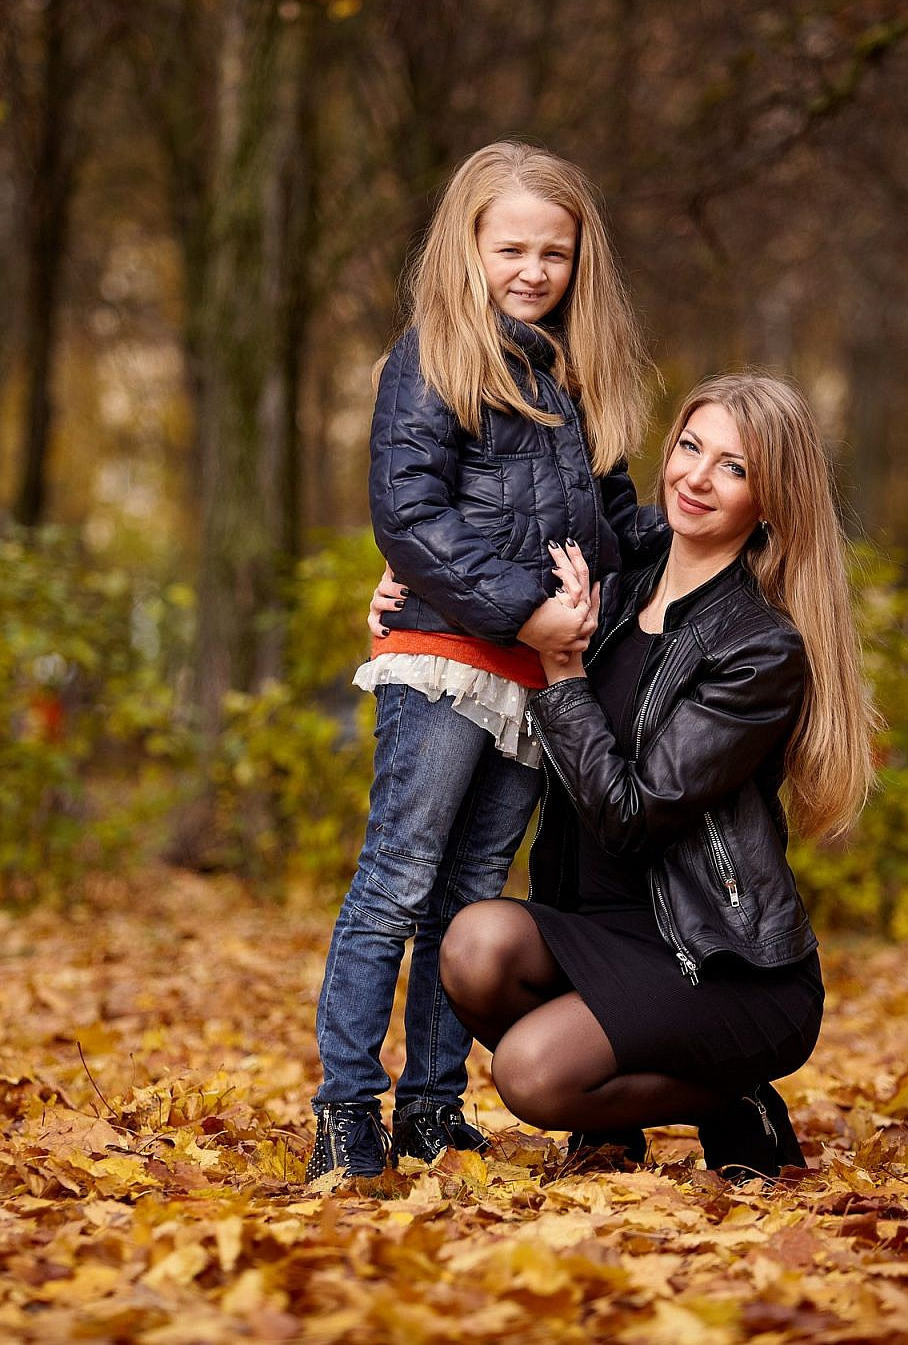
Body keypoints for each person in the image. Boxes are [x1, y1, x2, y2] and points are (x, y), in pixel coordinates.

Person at [306, 141, 666, 1180]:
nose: (531, 269)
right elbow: (408, 515)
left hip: (527, 678)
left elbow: (610, 520)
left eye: (553, 252)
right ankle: (345, 1110)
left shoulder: (573, 375)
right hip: (446, 659)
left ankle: (430, 1102)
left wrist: (697, 540)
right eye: (509, 246)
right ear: (467, 245)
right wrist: (523, 609)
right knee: (397, 880)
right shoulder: (433, 356)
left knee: (469, 895)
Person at [431, 373, 876, 1181]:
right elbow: (477, 557)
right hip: (593, 930)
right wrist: (403, 603)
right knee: (473, 946)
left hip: (718, 962)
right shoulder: (617, 584)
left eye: (734, 468)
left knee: (529, 1074)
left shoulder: (758, 648)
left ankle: (727, 1095)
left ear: (771, 501)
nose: (697, 478)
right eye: (690, 448)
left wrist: (564, 677)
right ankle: (618, 1132)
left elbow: (632, 813)